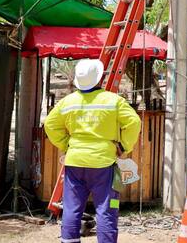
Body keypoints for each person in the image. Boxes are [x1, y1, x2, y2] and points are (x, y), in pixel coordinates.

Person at [44, 59, 142, 243]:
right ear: (99, 79)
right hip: (104, 163)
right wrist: (123, 146)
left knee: (72, 209)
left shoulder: (68, 102)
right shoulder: (113, 101)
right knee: (106, 209)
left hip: (75, 162)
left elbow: (50, 124)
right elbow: (134, 122)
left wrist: (66, 144)